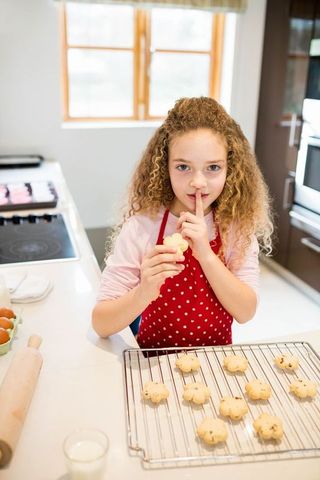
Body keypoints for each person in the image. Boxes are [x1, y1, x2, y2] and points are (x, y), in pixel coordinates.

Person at [92, 96, 273, 348]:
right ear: (164, 166)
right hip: (154, 368)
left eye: (213, 167)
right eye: (183, 167)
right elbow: (101, 324)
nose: (198, 182)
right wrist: (144, 290)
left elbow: (245, 312)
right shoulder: (142, 226)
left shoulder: (235, 228)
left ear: (229, 168)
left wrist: (207, 255)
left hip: (215, 366)